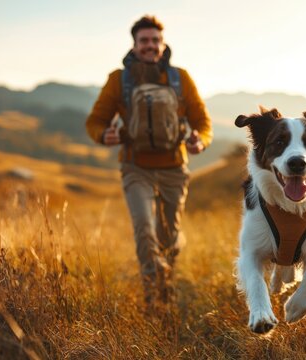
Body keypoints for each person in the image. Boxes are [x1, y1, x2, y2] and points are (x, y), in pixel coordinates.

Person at [86, 15, 212, 307]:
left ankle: (166, 280)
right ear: (134, 44)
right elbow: (95, 121)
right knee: (144, 227)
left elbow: (203, 122)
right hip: (135, 167)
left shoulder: (181, 78)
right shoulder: (119, 80)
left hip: (174, 169)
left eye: (155, 40)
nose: (150, 46)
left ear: (163, 43)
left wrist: (200, 140)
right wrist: (102, 135)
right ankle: (153, 294)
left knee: (168, 237)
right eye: (144, 41)